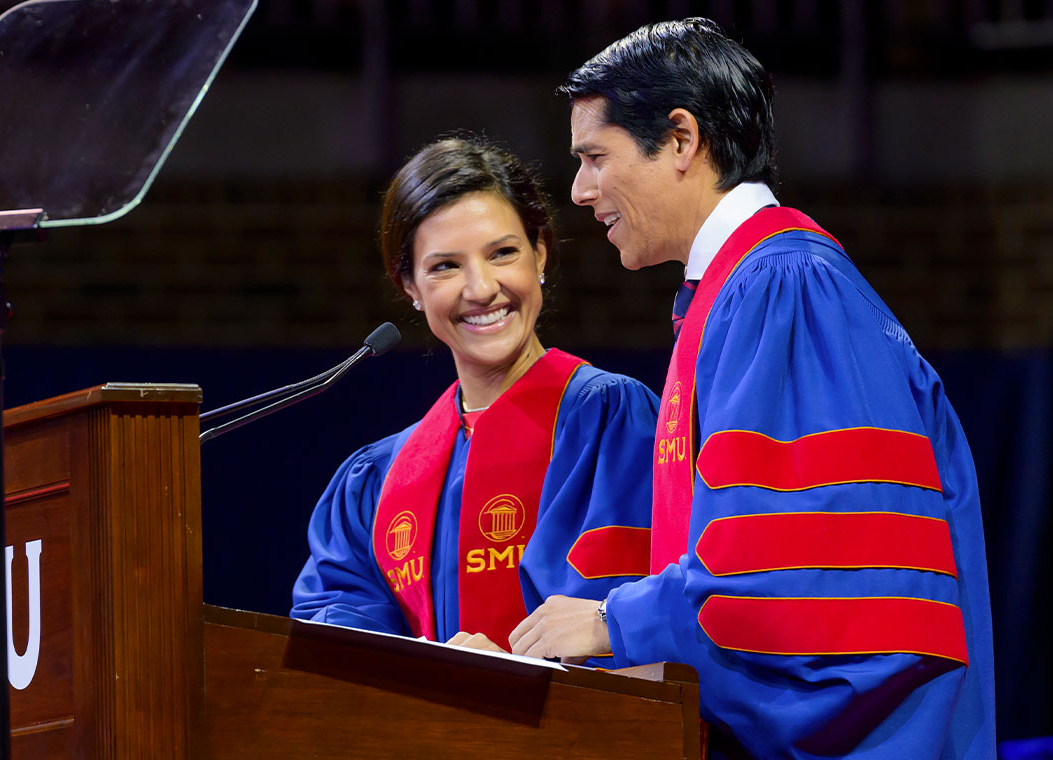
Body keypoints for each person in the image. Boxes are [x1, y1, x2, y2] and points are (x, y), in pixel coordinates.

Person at [509, 19, 995, 759]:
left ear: (680, 140)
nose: (579, 190)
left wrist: (617, 621)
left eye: (595, 157)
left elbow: (803, 569)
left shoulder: (784, 288)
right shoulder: (732, 294)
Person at [290, 137, 660, 659]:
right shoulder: (377, 481)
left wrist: (506, 679)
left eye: (502, 253)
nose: (481, 288)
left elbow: (633, 611)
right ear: (410, 288)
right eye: (445, 266)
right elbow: (338, 651)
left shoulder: (607, 422)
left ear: (540, 254)